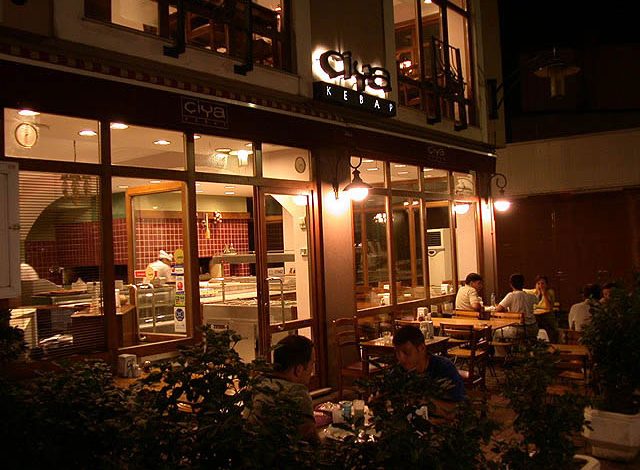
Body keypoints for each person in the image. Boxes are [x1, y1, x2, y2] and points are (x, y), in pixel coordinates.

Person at [246, 335, 318, 443]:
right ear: (298, 370)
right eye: (312, 364)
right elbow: (311, 441)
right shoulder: (297, 392)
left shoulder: (257, 383)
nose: (312, 370)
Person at [393, 325, 465, 402]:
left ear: (422, 348)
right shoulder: (398, 372)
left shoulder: (444, 368)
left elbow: (459, 404)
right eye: (397, 353)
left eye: (406, 352)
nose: (401, 358)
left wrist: (426, 402)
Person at [495, 273, 538, 340]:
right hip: (533, 328)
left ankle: (503, 348)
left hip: (518, 329)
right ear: (523, 284)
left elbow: (498, 309)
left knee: (495, 332)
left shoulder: (511, 295)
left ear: (511, 284)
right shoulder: (531, 296)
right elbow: (537, 301)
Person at [526, 275, 559, 342]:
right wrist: (538, 294)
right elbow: (522, 291)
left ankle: (552, 341)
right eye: (538, 283)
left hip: (546, 316)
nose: (540, 286)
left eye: (542, 283)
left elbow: (549, 307)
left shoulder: (550, 292)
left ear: (546, 285)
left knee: (549, 321)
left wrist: (544, 294)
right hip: (536, 316)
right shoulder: (533, 292)